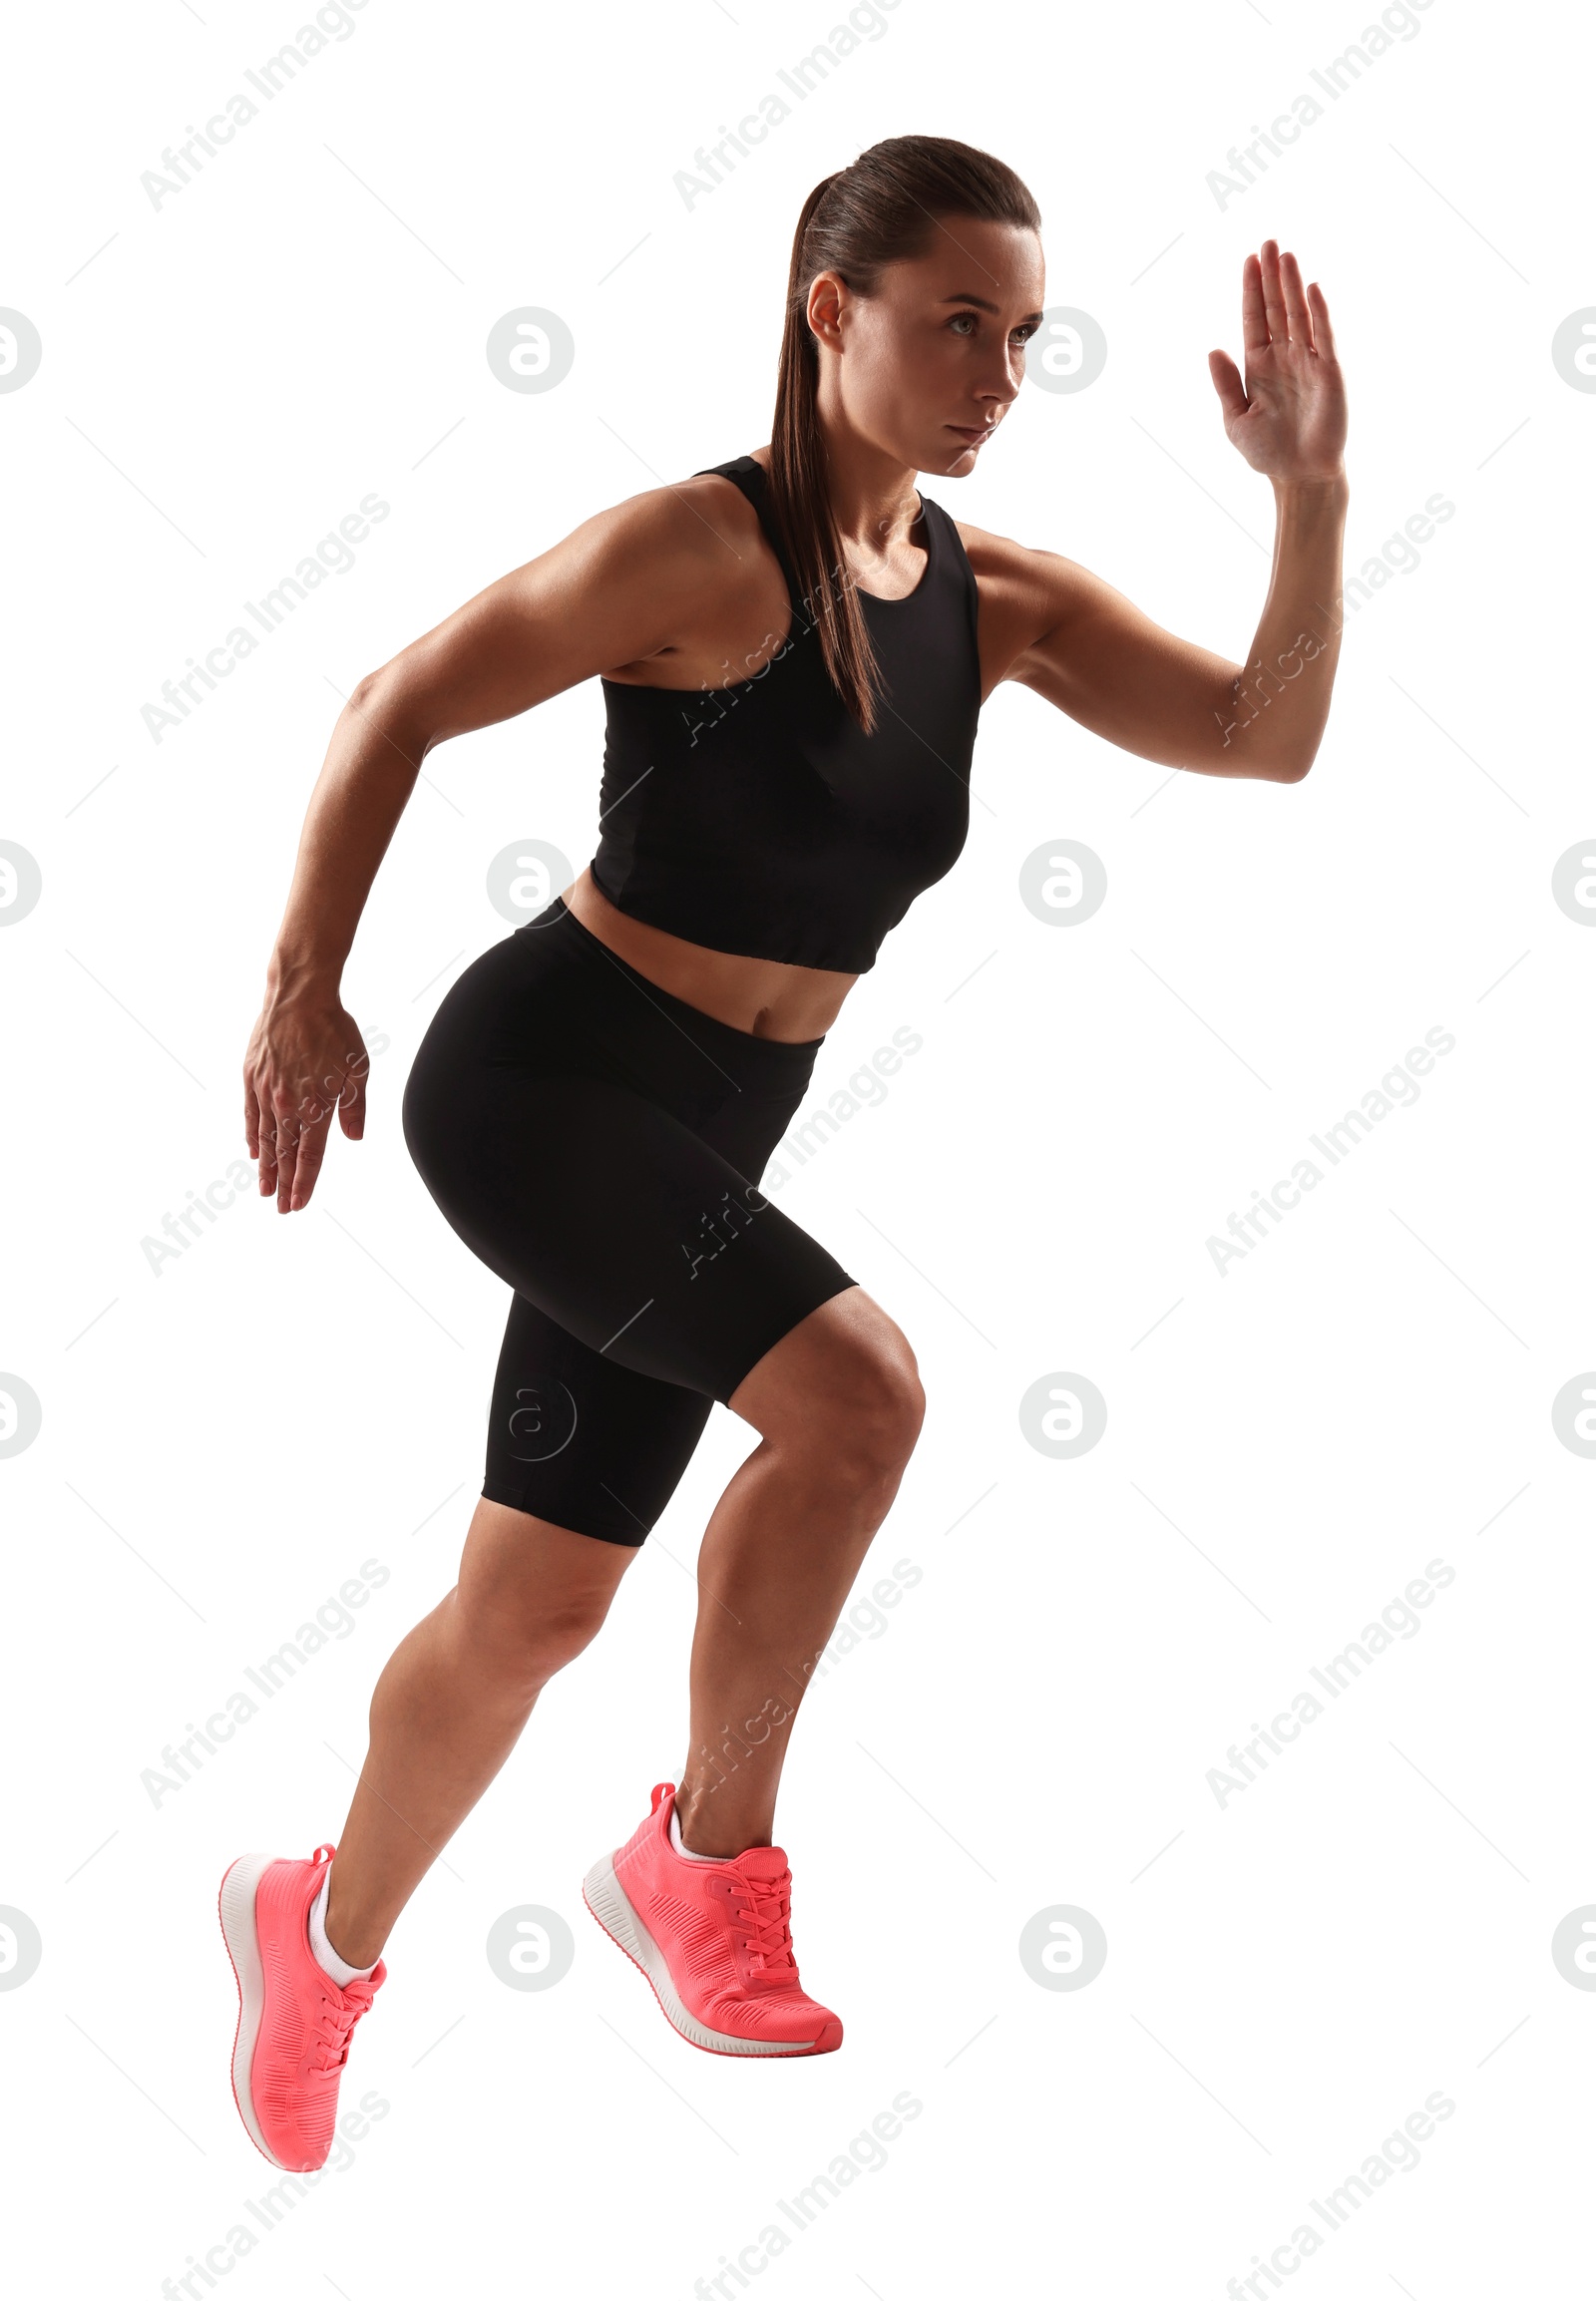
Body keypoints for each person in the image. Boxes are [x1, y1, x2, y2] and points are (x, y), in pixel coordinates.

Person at [219, 133, 1349, 2170]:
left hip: (700, 1139)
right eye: (950, 326)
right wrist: (304, 985)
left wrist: (1309, 500)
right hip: (542, 1082)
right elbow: (394, 699)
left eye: (1020, 339)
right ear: (827, 311)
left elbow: (1261, 732)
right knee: (857, 1394)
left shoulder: (992, 599)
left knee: (531, 1612)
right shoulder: (702, 551)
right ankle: (700, 1863)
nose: (991, 375)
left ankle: (315, 1933)